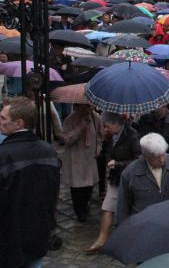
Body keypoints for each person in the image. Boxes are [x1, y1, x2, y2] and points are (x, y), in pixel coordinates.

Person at [0, 97, 60, 268]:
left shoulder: (4, 155)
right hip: (38, 233)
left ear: (19, 123)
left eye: (3, 118)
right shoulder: (48, 151)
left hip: (9, 238)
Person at [87, 112, 141, 253]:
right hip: (115, 178)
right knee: (107, 207)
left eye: (107, 126)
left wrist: (117, 164)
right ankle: (101, 239)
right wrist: (109, 160)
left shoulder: (132, 134)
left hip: (129, 179)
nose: (104, 129)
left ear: (116, 124)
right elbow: (107, 153)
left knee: (128, 210)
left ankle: (128, 239)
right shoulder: (110, 136)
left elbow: (138, 159)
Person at [116, 133, 169, 225]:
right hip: (144, 226)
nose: (162, 160)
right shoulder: (130, 173)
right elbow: (123, 208)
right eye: (157, 157)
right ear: (145, 156)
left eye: (163, 154)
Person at [60, 104, 102, 223]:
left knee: (89, 185)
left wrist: (98, 147)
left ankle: (85, 204)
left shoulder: (95, 118)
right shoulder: (69, 120)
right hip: (76, 158)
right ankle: (80, 211)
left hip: (90, 157)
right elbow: (67, 140)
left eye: (89, 107)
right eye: (85, 107)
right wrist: (80, 128)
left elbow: (100, 135)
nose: (88, 109)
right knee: (77, 187)